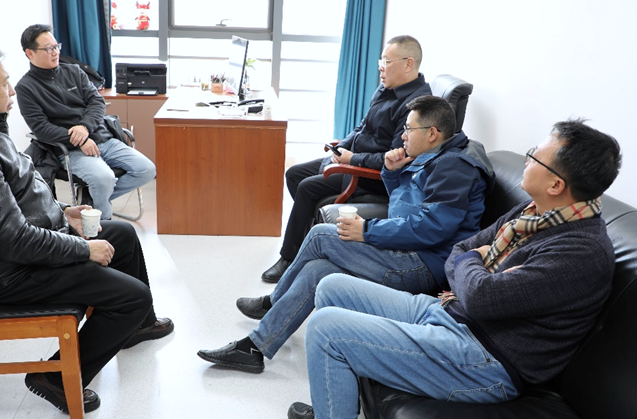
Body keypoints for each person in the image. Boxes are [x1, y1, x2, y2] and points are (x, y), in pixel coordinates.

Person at [287, 119, 622, 419]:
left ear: (556, 185)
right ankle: (334, 404)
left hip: (486, 360)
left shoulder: (580, 252)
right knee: (332, 286)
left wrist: (475, 265)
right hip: (452, 314)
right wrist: (476, 264)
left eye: (535, 156)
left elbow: (480, 296)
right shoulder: (532, 213)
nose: (527, 159)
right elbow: (461, 251)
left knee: (326, 328)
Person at [0, 42, 173, 414]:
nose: (12, 90)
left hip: (22, 253)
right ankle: (54, 378)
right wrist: (83, 248)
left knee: (122, 235)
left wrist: (64, 213)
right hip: (14, 273)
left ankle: (138, 327)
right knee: (132, 297)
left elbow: (14, 200)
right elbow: (12, 240)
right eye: (4, 83)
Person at [198, 95, 495, 373]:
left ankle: (273, 302)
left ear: (432, 133)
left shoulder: (455, 167)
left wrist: (366, 230)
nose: (403, 136)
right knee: (318, 270)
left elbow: (429, 229)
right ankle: (255, 348)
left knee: (320, 236)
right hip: (410, 251)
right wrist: (392, 173)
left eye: (409, 129)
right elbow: (404, 211)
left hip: (423, 265)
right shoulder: (435, 157)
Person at [261, 35, 432, 283]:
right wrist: (342, 147)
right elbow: (362, 126)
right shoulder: (386, 88)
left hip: (373, 176)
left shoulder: (416, 106)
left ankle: (288, 258)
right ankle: (308, 239)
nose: (381, 68)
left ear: (409, 64)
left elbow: (397, 157)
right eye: (381, 61)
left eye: (387, 61)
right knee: (294, 174)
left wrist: (353, 160)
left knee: (308, 188)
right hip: (354, 159)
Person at [15, 24, 155, 220]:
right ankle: (103, 225)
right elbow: (41, 129)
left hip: (102, 138)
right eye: (48, 49)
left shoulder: (74, 71)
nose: (55, 52)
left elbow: (97, 102)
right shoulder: (25, 88)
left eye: (56, 46)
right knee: (104, 178)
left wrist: (85, 128)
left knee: (147, 170)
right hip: (70, 149)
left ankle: (93, 200)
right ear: (30, 53)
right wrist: (80, 140)